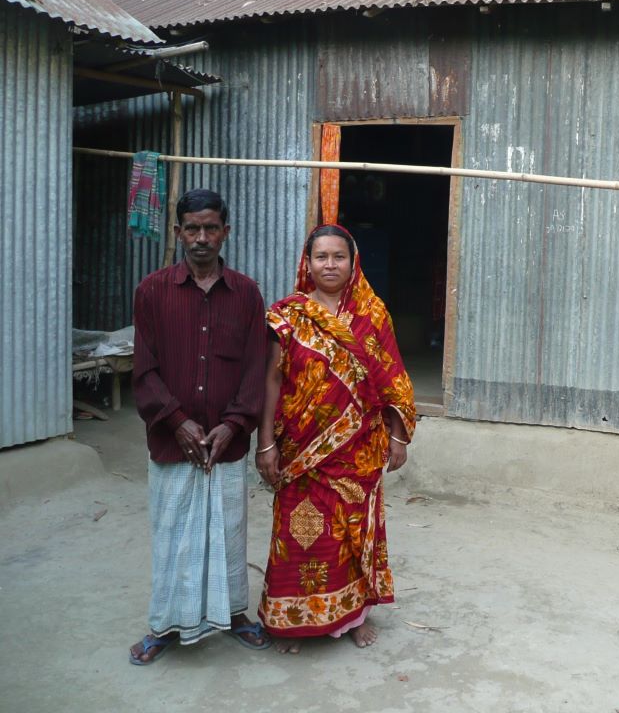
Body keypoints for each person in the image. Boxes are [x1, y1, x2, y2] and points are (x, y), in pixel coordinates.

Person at [255, 224, 416, 654]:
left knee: (352, 534)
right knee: (300, 535)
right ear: (306, 263)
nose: (330, 264)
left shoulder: (372, 314)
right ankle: (295, 622)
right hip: (300, 449)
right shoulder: (286, 316)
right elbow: (270, 381)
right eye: (321, 256)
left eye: (338, 256)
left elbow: (394, 379)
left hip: (358, 450)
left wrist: (397, 436)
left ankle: (355, 616)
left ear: (352, 261)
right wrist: (265, 442)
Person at [129, 189, 270, 665]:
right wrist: (177, 421)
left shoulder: (247, 293)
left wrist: (233, 425)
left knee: (228, 532)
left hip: (226, 445)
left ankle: (232, 614)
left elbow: (256, 369)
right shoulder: (152, 290)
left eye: (212, 228)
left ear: (226, 231)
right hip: (174, 443)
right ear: (179, 232)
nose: (202, 238)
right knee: (172, 533)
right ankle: (165, 625)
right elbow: (144, 369)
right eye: (193, 228)